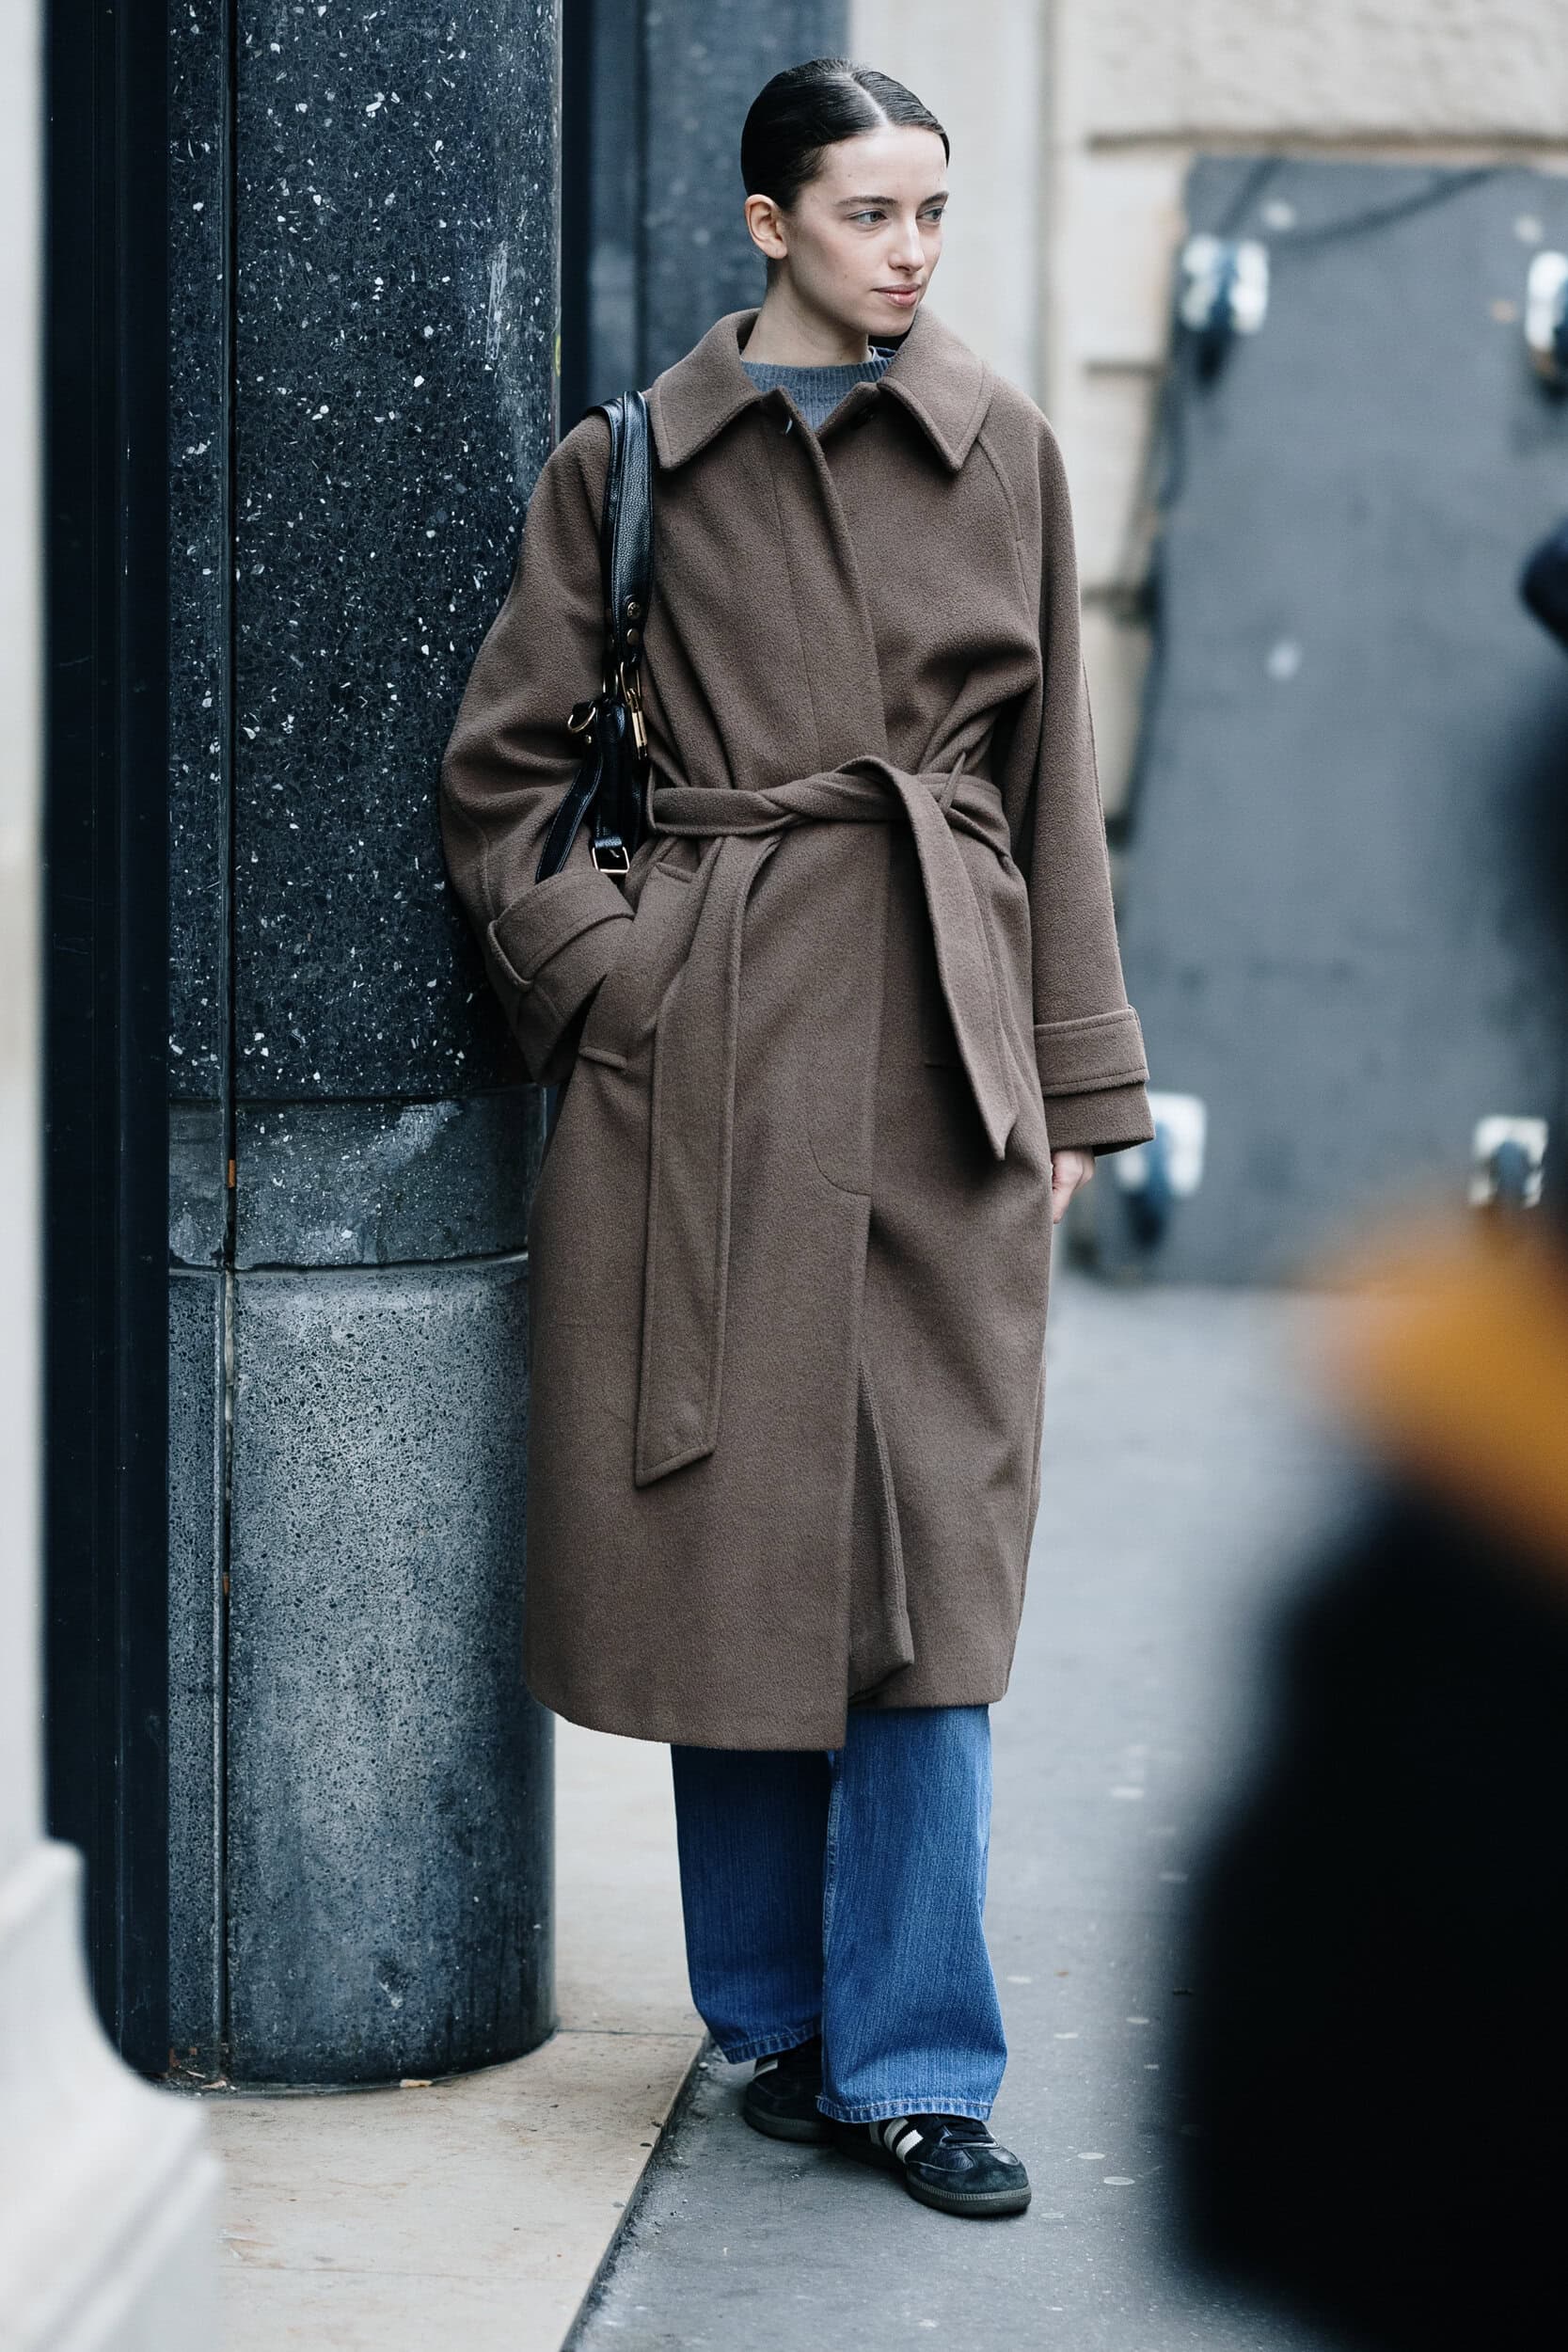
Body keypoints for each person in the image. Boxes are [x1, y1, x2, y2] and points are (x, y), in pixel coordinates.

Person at [439, 56, 1153, 2221]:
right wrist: (623, 975)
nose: (914, 251)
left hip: (941, 1052)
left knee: (935, 1575)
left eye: (934, 211)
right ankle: (771, 2017)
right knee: (734, 1550)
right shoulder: (631, 465)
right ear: (767, 223)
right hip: (715, 1048)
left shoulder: (1001, 445)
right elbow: (502, 773)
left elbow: (1049, 793)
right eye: (872, 213)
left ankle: (920, 2058)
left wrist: (1077, 1080)